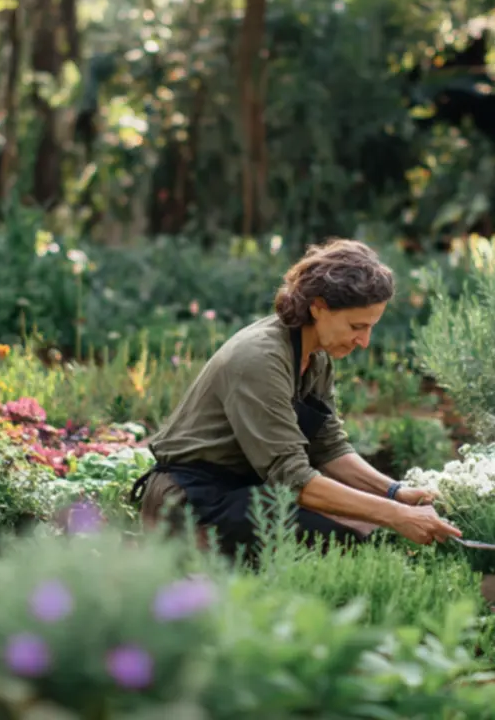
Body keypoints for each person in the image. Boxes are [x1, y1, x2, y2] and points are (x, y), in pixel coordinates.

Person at [129, 239, 463, 558]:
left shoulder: (315, 357)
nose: (364, 341)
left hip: (247, 491)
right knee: (345, 535)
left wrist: (396, 493)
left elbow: (329, 447)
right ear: (318, 307)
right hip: (193, 500)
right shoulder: (259, 359)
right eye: (357, 326)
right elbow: (293, 478)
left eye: (371, 327)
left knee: (364, 524)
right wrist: (393, 514)